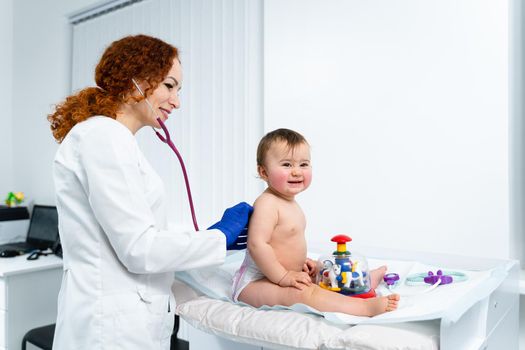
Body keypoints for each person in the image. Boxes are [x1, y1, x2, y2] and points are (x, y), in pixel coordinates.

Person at [48, 34, 252, 350]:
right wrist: (219, 237)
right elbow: (139, 248)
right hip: (110, 329)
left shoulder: (113, 139)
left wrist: (211, 238)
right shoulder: (103, 138)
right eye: (169, 86)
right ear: (135, 82)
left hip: (126, 320)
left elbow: (141, 233)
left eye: (178, 89)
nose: (176, 100)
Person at [231, 128, 399, 317]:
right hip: (256, 282)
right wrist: (284, 276)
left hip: (284, 273)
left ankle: (361, 285)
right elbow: (257, 245)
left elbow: (285, 244)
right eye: (286, 165)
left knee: (326, 274)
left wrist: (301, 263)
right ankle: (362, 307)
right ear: (263, 172)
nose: (296, 171)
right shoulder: (267, 203)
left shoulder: (291, 204)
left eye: (303, 164)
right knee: (303, 293)